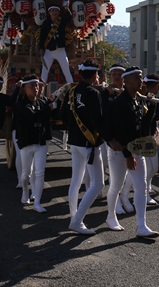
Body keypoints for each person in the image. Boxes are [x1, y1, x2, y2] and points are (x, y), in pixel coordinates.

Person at [105, 66, 159, 238]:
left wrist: (152, 106)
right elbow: (121, 132)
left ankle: (141, 226)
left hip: (136, 148)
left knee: (141, 187)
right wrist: (128, 156)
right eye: (137, 78)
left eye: (141, 77)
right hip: (120, 150)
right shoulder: (120, 103)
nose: (141, 81)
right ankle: (111, 216)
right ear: (126, 81)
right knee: (116, 185)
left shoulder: (138, 100)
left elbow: (143, 126)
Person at [61, 60, 105, 235]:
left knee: (76, 180)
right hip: (89, 143)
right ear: (95, 75)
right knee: (98, 184)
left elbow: (63, 115)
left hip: (75, 142)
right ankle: (77, 220)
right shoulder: (93, 93)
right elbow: (98, 121)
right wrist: (109, 138)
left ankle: (73, 215)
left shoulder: (71, 92)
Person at [15, 75, 54, 212]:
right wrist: (49, 108)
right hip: (26, 142)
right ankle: (25, 191)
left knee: (40, 173)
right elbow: (32, 117)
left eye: (36, 85)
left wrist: (53, 104)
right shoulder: (21, 104)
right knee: (26, 173)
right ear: (25, 89)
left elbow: (49, 116)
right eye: (31, 85)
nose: (35, 88)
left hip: (40, 141)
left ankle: (37, 202)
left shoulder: (42, 102)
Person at [101, 64, 132, 214]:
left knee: (127, 173)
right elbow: (103, 115)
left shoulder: (129, 92)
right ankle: (115, 203)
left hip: (129, 139)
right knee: (115, 174)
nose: (117, 77)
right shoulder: (105, 93)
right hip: (113, 139)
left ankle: (124, 197)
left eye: (120, 74)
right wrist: (111, 95)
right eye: (114, 74)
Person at [39, 5, 74, 85]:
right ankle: (41, 88)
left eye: (56, 11)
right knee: (44, 71)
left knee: (66, 70)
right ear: (49, 12)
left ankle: (71, 88)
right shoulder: (46, 23)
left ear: (58, 12)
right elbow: (42, 37)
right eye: (52, 11)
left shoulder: (61, 21)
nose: (54, 12)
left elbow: (69, 17)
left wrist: (66, 8)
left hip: (60, 51)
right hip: (49, 51)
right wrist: (41, 48)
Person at [142, 74, 159, 206]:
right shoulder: (143, 98)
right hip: (142, 137)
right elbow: (145, 119)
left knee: (152, 167)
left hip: (150, 135)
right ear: (156, 85)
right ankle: (142, 192)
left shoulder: (153, 99)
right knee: (149, 167)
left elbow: (154, 118)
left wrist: (155, 126)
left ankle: (146, 188)